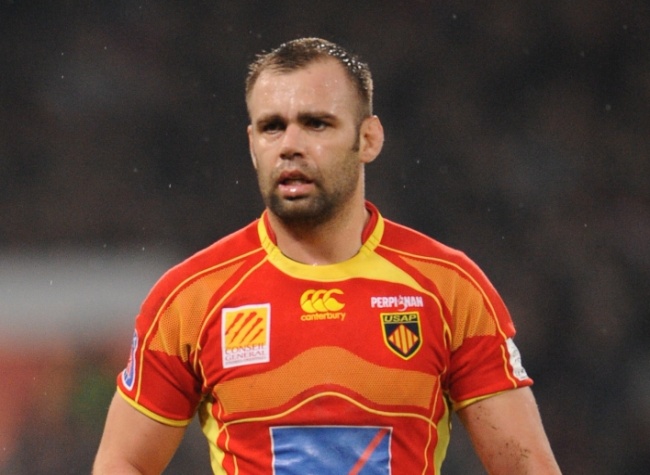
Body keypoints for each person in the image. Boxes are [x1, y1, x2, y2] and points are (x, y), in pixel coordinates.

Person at [93, 37, 561, 474]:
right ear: (252, 144)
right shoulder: (190, 298)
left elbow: (526, 467)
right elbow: (123, 463)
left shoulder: (449, 286)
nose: (290, 146)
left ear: (369, 139)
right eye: (272, 127)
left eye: (316, 123)